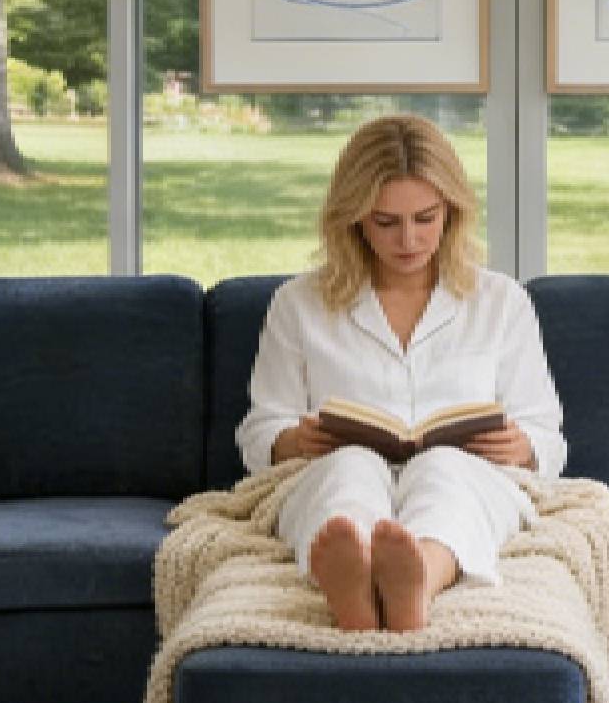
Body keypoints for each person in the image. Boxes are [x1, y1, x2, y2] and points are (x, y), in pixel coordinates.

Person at [236, 113, 567, 633]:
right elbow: (259, 429)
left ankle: (415, 581)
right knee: (352, 469)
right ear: (354, 220)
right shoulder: (298, 304)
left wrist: (524, 448)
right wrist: (291, 441)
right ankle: (355, 577)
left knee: (443, 471)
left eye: (425, 218)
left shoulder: (503, 302)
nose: (409, 240)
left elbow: (546, 431)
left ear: (452, 212)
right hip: (331, 469)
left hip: (469, 474)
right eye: (386, 222)